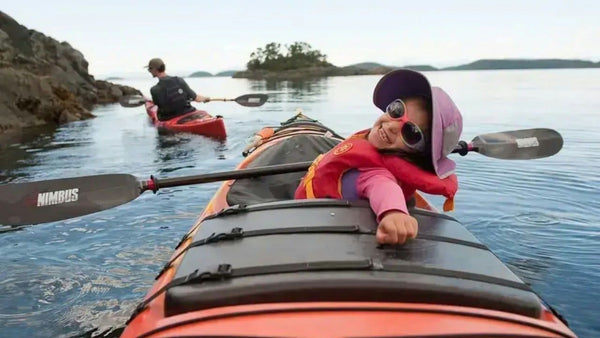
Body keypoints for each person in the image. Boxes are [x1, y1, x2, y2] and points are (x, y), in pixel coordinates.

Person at [295, 69, 463, 246]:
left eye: (411, 132)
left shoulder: (378, 173)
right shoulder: (371, 147)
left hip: (312, 217)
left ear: (419, 155)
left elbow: (384, 188)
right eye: (397, 110)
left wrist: (394, 213)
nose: (392, 127)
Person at [145, 58, 211, 121]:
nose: (149, 71)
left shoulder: (154, 89)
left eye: (149, 69)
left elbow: (157, 105)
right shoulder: (179, 80)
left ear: (154, 70)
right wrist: (205, 98)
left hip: (170, 118)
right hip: (188, 112)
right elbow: (196, 98)